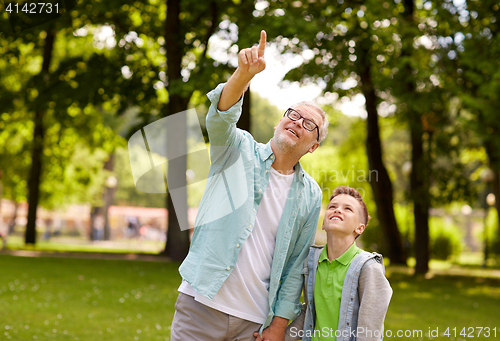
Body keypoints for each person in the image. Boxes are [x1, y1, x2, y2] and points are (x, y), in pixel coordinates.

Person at [170, 30, 329, 341]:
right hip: (201, 306)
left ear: (313, 147)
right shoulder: (237, 149)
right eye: (293, 115)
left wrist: (278, 325)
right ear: (278, 123)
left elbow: (296, 264)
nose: (297, 122)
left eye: (308, 124)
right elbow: (220, 117)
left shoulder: (310, 194)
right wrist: (244, 74)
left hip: (255, 321)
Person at [285, 186, 392, 341]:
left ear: (360, 228)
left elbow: (369, 329)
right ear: (323, 224)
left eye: (348, 208)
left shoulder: (368, 268)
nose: (337, 210)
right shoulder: (312, 261)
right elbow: (309, 312)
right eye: (332, 207)